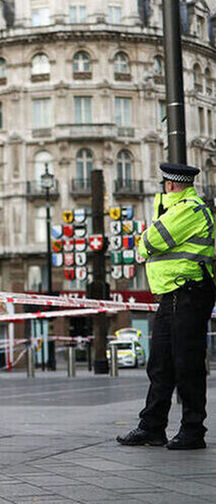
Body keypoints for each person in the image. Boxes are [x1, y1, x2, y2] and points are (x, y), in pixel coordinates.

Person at [117, 163, 215, 450]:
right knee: (160, 364)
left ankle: (193, 430)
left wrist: (146, 239)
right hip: (171, 296)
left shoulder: (190, 209)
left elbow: (150, 241)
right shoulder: (173, 210)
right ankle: (152, 427)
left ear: (170, 184)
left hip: (188, 293)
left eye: (165, 184)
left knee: (187, 364)